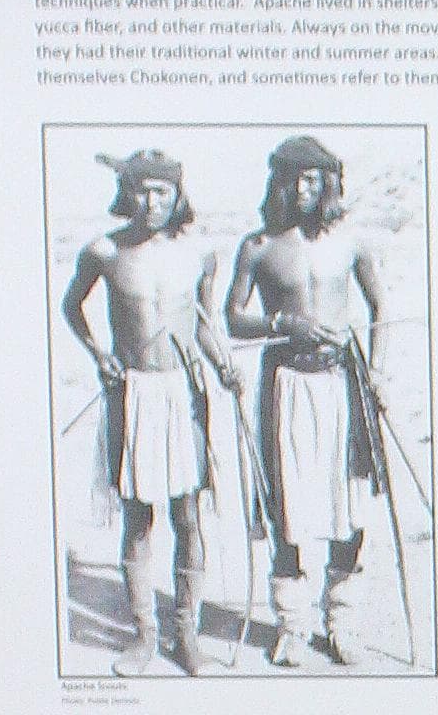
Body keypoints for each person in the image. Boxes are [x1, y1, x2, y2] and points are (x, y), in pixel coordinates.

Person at [61, 146, 241, 676]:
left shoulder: (202, 252)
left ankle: (186, 636)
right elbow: (72, 306)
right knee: (139, 520)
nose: (150, 200)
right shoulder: (105, 251)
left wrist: (225, 365)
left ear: (177, 194)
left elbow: (206, 320)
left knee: (188, 517)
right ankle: (143, 637)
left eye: (161, 189)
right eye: (141, 188)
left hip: (184, 392)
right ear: (126, 193)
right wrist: (99, 354)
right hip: (131, 393)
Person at [226, 136, 394, 667]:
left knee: (349, 505)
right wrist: (282, 323)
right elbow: (233, 316)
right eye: (295, 178)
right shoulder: (258, 247)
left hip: (344, 383)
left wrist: (381, 372)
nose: (306, 188)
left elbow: (380, 305)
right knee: (288, 508)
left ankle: (340, 621)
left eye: (316, 178)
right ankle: (293, 627)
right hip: (286, 388)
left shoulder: (351, 243)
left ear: (330, 183)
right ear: (278, 183)